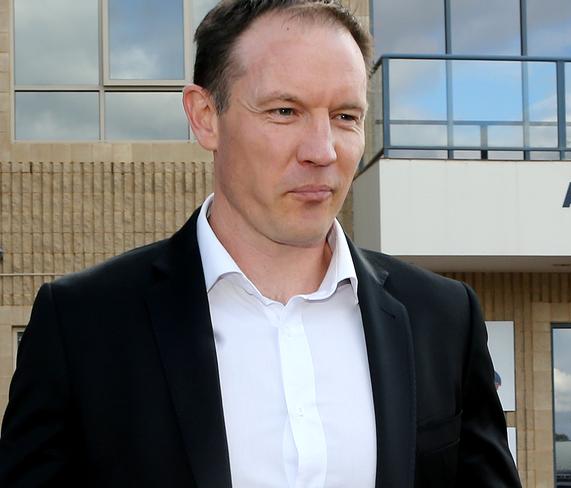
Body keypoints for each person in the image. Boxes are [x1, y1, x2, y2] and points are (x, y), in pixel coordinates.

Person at [0, 1, 521, 486]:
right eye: (284, 111)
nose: (323, 151)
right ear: (205, 117)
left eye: (345, 116)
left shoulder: (443, 319)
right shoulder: (83, 324)